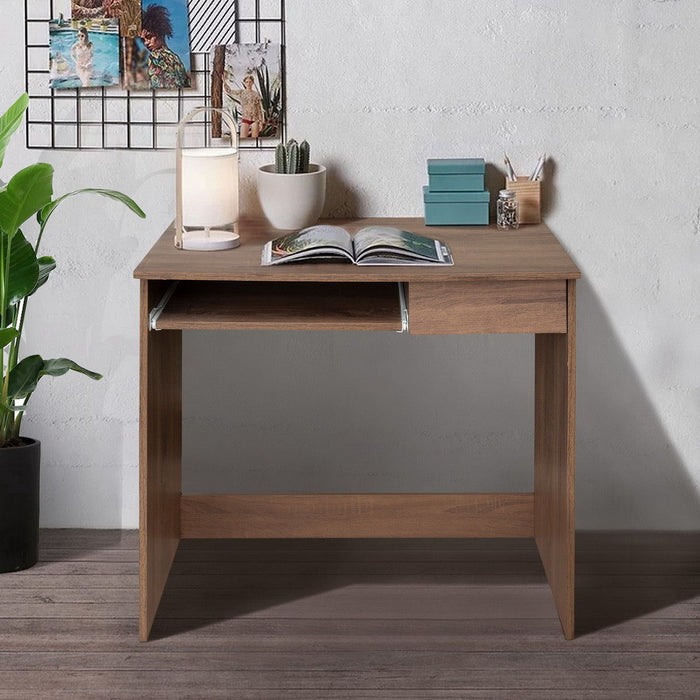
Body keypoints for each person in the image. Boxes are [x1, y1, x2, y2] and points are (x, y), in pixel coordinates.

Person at [140, 4, 189, 89]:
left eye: (149, 37)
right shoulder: (176, 58)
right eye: (143, 40)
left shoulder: (155, 57)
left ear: (160, 33)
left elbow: (157, 87)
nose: (146, 43)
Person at [224, 73, 264, 138]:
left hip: (255, 119)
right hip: (245, 118)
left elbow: (259, 109)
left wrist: (261, 122)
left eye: (250, 82)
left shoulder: (256, 94)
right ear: (245, 83)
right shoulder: (241, 92)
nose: (248, 83)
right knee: (242, 138)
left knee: (254, 140)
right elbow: (229, 91)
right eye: (247, 82)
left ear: (252, 83)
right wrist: (224, 82)